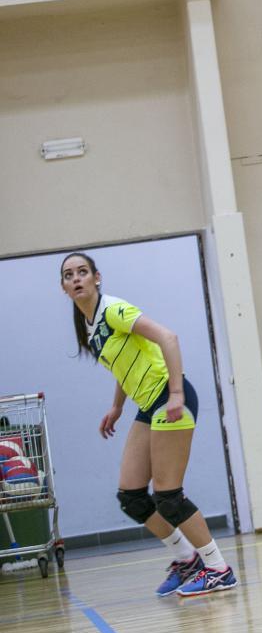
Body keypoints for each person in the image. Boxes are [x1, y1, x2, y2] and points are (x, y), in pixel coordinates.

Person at [60, 252, 238, 597]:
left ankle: (218, 569)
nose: (77, 278)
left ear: (97, 277)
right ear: (64, 287)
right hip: (148, 404)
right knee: (132, 497)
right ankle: (187, 559)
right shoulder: (89, 325)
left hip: (169, 397)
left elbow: (168, 338)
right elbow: (123, 366)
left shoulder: (113, 310)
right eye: (69, 275)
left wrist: (176, 393)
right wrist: (116, 406)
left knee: (168, 496)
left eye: (83, 271)